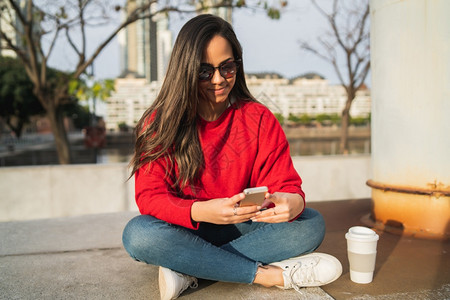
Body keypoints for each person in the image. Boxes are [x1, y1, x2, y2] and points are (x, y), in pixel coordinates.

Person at [122, 14, 342, 300]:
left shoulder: (258, 118)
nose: (218, 80)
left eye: (227, 67)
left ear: (237, 63)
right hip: (183, 229)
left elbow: (286, 183)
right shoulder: (160, 124)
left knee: (310, 224)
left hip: (242, 228)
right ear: (185, 70)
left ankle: (189, 269)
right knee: (138, 234)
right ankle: (264, 275)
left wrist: (292, 202)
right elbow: (150, 197)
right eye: (204, 71)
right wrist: (201, 210)